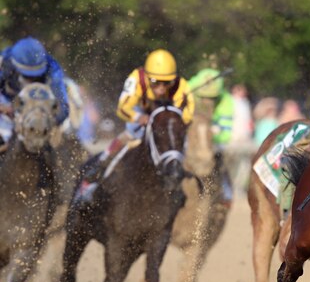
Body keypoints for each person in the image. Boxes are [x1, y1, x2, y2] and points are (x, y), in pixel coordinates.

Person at [75, 49, 194, 202]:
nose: (161, 88)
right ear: (147, 77)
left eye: (166, 83)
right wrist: (139, 117)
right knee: (128, 137)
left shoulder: (181, 86)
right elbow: (123, 108)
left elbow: (186, 117)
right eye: (155, 82)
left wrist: (162, 118)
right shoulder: (137, 78)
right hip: (140, 117)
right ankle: (97, 170)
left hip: (164, 124)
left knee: (178, 145)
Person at [0, 36, 69, 147]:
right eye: (26, 75)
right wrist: (5, 109)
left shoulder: (53, 69)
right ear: (14, 65)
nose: (31, 80)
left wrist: (49, 120)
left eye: (36, 76)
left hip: (39, 109)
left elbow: (64, 108)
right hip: (7, 103)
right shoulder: (4, 60)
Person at [188, 68, 235, 150]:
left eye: (212, 98)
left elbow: (226, 134)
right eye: (203, 97)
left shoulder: (226, 101)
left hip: (212, 143)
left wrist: (209, 136)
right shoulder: (187, 89)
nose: (207, 102)